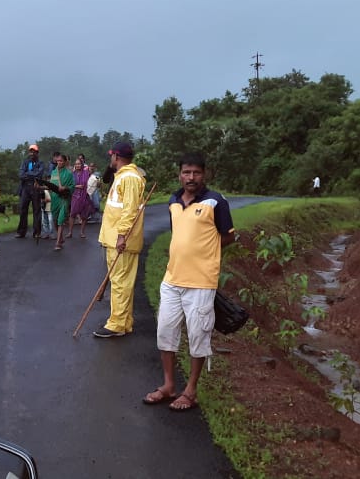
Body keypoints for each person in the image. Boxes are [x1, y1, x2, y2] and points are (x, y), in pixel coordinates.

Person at [142, 152, 236, 412]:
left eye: (196, 172)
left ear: (204, 174)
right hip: (172, 279)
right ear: (179, 174)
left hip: (201, 283)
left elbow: (228, 237)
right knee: (165, 332)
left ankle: (190, 390)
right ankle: (169, 385)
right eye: (186, 172)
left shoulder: (216, 202)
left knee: (198, 335)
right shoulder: (173, 200)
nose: (191, 177)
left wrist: (206, 256)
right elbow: (179, 234)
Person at [94, 141, 147, 338]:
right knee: (121, 282)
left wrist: (122, 235)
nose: (110, 159)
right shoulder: (122, 177)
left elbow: (129, 211)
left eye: (111, 156)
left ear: (116, 157)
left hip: (122, 241)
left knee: (120, 283)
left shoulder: (130, 178)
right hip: (115, 239)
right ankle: (123, 322)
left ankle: (116, 323)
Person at [16, 144, 47, 239]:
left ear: (37, 153)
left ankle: (37, 232)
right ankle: (21, 232)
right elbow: (21, 174)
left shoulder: (40, 163)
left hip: (35, 188)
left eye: (34, 151)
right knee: (22, 210)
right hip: (25, 188)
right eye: (31, 151)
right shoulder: (25, 162)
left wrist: (28, 174)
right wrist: (32, 174)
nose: (32, 153)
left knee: (36, 210)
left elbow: (39, 174)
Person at [49, 153, 74, 251]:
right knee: (55, 220)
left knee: (61, 220)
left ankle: (58, 242)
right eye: (58, 161)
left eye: (61, 161)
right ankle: (61, 238)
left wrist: (65, 188)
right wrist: (40, 187)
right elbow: (51, 186)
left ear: (65, 162)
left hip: (63, 199)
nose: (59, 162)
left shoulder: (68, 173)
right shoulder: (54, 172)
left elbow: (72, 186)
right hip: (54, 198)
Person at [70, 157, 96, 238]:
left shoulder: (86, 173)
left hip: (85, 196)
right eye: (76, 164)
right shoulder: (72, 174)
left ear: (82, 164)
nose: (78, 165)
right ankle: (70, 232)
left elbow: (93, 180)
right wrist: (77, 186)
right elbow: (69, 185)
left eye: (79, 164)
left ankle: (82, 232)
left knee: (84, 215)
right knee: (72, 214)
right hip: (75, 196)